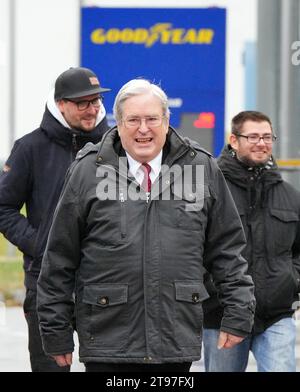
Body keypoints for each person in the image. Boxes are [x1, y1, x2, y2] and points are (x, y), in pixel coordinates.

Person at [37, 79, 255, 372]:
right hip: (107, 340)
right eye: (133, 120)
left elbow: (228, 250)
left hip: (174, 340)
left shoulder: (200, 167)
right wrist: (55, 332)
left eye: (152, 119)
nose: (143, 129)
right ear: (119, 123)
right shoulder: (88, 170)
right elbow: (59, 259)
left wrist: (239, 313)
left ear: (166, 121)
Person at [0, 67, 110, 372]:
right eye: (82, 103)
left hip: (105, 284)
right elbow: (4, 208)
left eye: (96, 102)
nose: (92, 109)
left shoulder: (115, 147)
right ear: (60, 104)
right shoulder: (30, 148)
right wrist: (40, 244)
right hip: (46, 283)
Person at [203, 110, 300, 372]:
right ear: (233, 141)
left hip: (275, 314)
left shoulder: (289, 195)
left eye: (267, 137)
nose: (262, 143)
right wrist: (207, 291)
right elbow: (192, 247)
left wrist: (293, 282)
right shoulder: (210, 191)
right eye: (253, 136)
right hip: (223, 314)